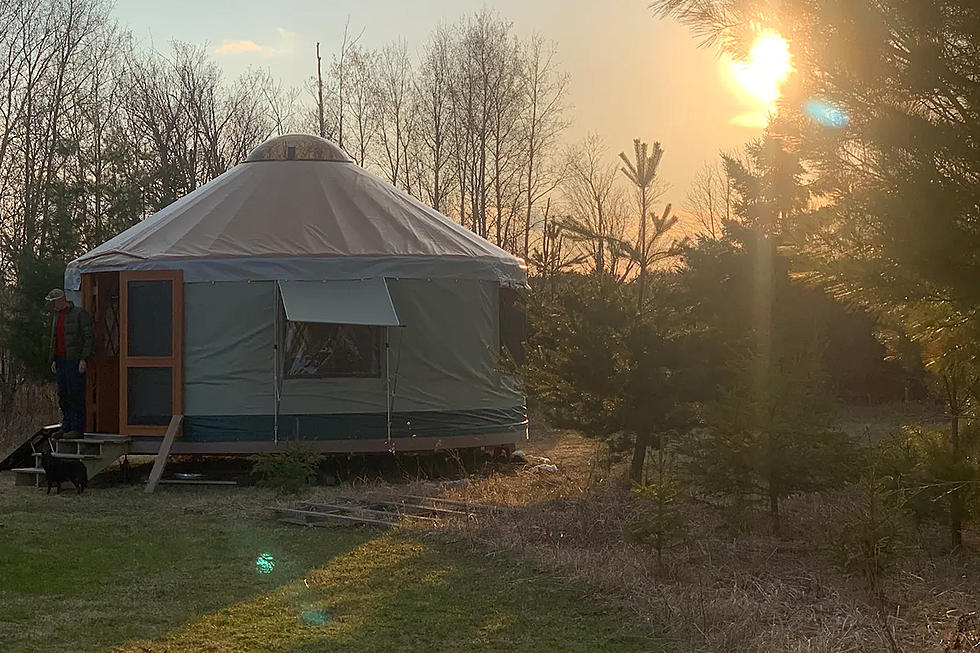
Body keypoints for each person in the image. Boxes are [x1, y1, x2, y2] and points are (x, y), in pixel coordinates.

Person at [45, 288, 94, 437]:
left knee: (75, 393)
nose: (53, 305)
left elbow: (89, 337)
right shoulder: (57, 316)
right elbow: (55, 339)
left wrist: (84, 359)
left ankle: (77, 428)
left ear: (61, 300)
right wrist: (53, 359)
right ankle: (66, 425)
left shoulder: (79, 314)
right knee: (63, 394)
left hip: (74, 360)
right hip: (60, 360)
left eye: (54, 302)